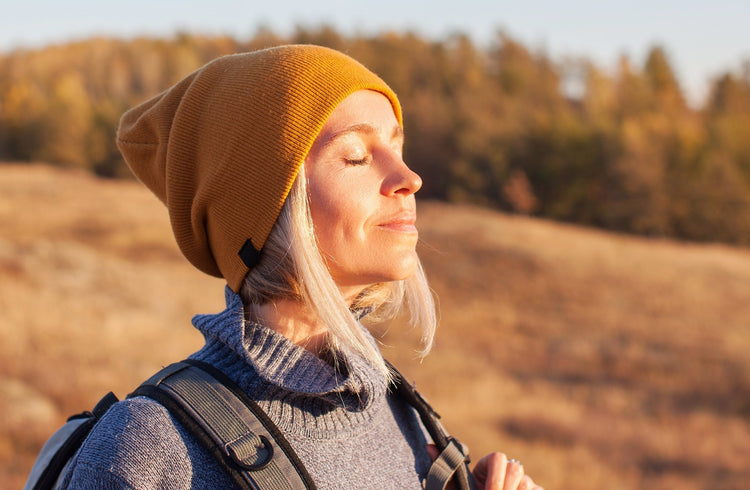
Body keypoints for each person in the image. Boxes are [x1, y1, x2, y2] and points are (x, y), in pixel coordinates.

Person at [59, 45, 542, 489]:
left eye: (397, 148)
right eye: (355, 156)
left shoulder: (400, 414)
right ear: (266, 210)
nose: (408, 178)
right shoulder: (149, 448)